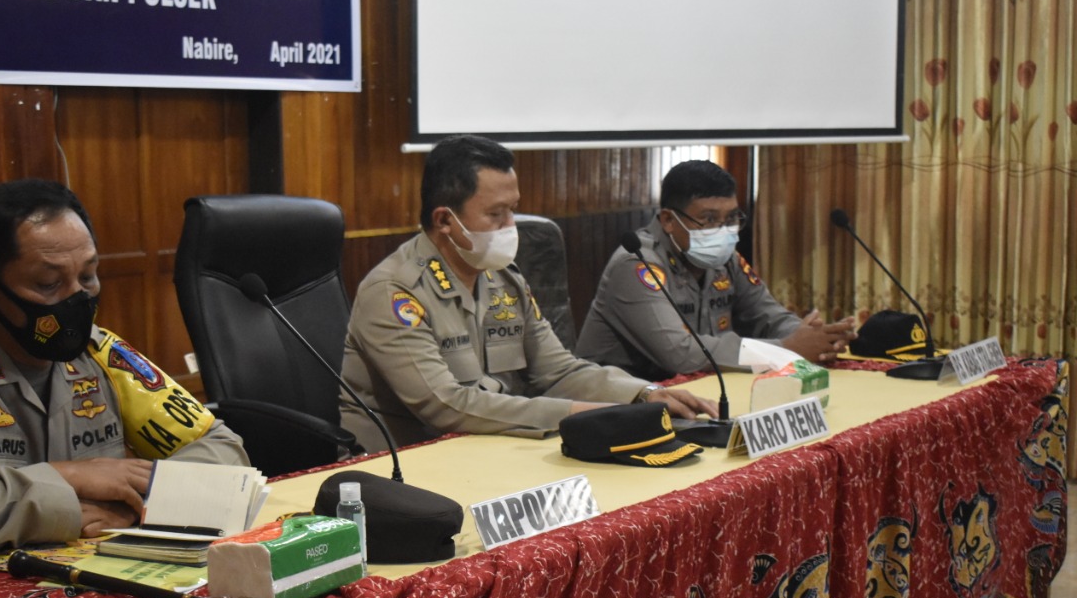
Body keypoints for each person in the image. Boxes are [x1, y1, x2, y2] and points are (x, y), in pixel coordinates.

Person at [0, 179, 249, 572]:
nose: (76, 298)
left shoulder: (100, 354)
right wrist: (67, 481)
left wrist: (138, 502)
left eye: (88, 276)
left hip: (80, 584)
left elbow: (224, 451)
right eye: (49, 283)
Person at [338, 135, 717, 453]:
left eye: (513, 210)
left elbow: (558, 370)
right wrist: (580, 413)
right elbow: (445, 406)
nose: (511, 226)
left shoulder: (503, 278)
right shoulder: (394, 291)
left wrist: (642, 394)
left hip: (490, 449)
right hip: (401, 465)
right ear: (444, 220)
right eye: (496, 214)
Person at [575, 160, 855, 381]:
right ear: (668, 220)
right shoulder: (636, 264)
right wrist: (786, 349)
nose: (723, 230)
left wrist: (815, 339)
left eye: (731, 218)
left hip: (698, 391)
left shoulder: (726, 259)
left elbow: (767, 315)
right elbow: (681, 354)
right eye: (708, 219)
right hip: (621, 403)